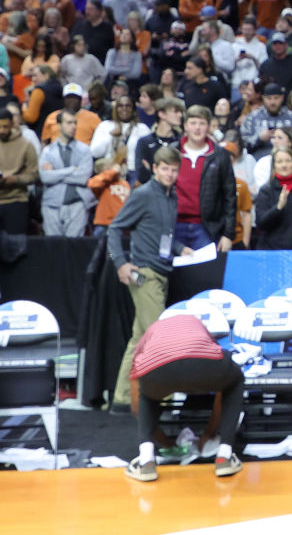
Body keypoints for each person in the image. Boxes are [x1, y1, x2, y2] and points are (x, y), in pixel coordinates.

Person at [107, 146, 193, 413]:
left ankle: (122, 398)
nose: (169, 173)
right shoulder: (143, 194)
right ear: (155, 169)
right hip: (145, 274)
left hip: (162, 272)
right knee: (158, 338)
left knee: (140, 337)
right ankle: (162, 399)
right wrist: (121, 263)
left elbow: (163, 234)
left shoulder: (172, 196)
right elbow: (114, 227)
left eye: (174, 169)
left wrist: (180, 249)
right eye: (165, 168)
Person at [125, 314, 244, 481]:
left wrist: (167, 443)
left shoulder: (148, 335)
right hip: (203, 364)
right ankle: (224, 456)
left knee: (146, 395)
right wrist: (209, 433)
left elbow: (136, 407)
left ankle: (146, 461)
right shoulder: (196, 323)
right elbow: (215, 360)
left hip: (159, 370)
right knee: (234, 381)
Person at [174, 105, 237, 253]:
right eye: (193, 123)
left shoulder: (220, 155)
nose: (197, 128)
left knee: (206, 274)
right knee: (174, 275)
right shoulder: (172, 152)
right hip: (174, 225)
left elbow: (230, 197)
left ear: (208, 126)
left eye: (202, 123)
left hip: (207, 227)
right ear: (185, 126)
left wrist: (228, 234)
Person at [39, 110, 94, 236]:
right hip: (51, 204)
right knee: (53, 248)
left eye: (75, 123)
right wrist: (70, 170)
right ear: (59, 125)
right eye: (69, 123)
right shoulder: (48, 151)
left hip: (77, 204)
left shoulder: (84, 150)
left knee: (74, 249)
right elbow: (45, 177)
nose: (73, 126)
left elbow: (82, 178)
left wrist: (55, 173)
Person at [240, 83, 292, 160]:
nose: (272, 102)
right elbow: (242, 143)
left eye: (276, 98)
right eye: (269, 98)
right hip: (259, 160)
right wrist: (259, 139)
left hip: (288, 160)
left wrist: (288, 140)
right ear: (263, 98)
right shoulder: (252, 117)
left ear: (282, 98)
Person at [91, 94, 151, 182]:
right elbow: (95, 153)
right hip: (108, 171)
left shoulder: (142, 128)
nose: (124, 109)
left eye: (128, 106)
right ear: (115, 109)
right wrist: (111, 135)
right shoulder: (105, 126)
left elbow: (148, 155)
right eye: (120, 106)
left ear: (133, 109)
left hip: (133, 173)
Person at [0, 108, 38, 233]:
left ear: (12, 124)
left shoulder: (25, 145)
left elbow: (34, 174)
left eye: (5, 126)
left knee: (17, 246)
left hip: (17, 200)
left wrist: (17, 179)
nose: (2, 131)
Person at [135, 97, 184, 184]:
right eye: (176, 112)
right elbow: (142, 175)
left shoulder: (182, 140)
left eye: (181, 112)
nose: (180, 115)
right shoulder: (144, 142)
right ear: (161, 114)